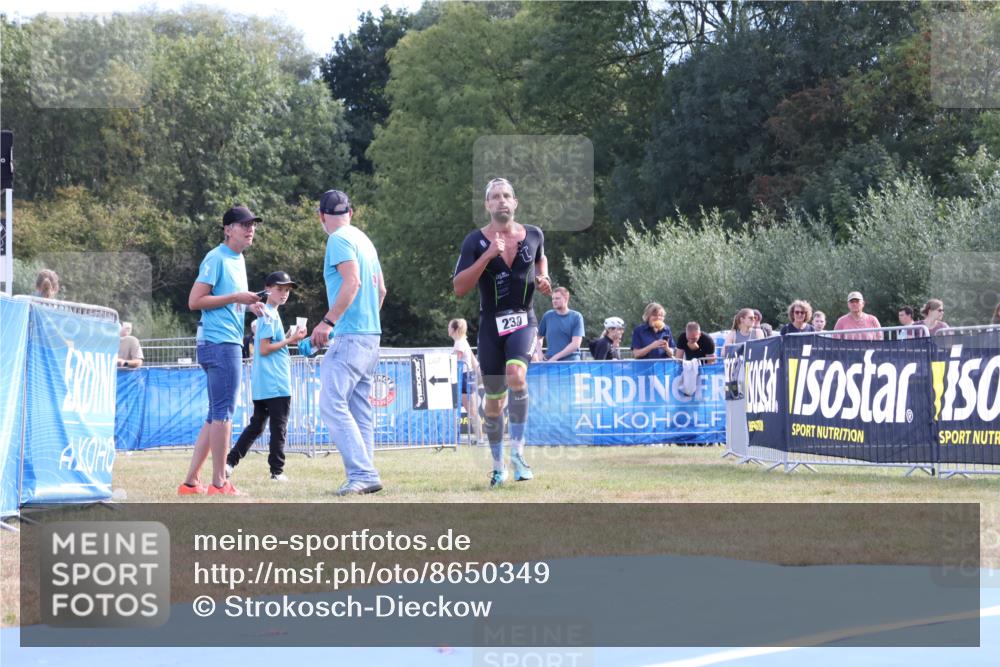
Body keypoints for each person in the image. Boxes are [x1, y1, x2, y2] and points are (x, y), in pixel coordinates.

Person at [453, 177, 551, 487]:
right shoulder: (475, 242)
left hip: (524, 319)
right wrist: (486, 257)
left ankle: (518, 453)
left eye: (507, 195)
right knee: (493, 403)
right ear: (487, 205)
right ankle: (498, 465)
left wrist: (544, 277)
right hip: (490, 326)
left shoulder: (533, 234)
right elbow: (459, 288)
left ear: (516, 202)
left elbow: (540, 259)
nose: (502, 201)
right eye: (495, 196)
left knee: (516, 376)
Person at [179, 205, 264, 496]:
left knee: (214, 414)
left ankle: (191, 482)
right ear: (227, 229)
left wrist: (248, 304)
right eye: (243, 224)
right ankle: (218, 483)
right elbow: (195, 300)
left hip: (222, 340)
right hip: (220, 342)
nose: (250, 229)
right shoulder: (216, 258)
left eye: (252, 224)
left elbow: (228, 301)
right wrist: (236, 297)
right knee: (224, 413)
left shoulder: (237, 259)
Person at [309, 189, 387, 496]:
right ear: (350, 213)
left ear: (322, 217)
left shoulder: (338, 239)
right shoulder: (364, 240)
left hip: (350, 334)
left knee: (331, 403)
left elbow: (352, 281)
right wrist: (367, 321)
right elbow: (381, 290)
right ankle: (367, 472)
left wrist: (329, 321)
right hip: (371, 334)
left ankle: (362, 473)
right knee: (360, 408)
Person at [226, 271, 307, 482]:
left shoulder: (267, 313)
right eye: (280, 289)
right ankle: (277, 472)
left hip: (263, 381)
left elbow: (266, 345)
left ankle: (230, 462)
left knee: (257, 426)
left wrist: (289, 338)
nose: (284, 293)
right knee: (278, 428)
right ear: (268, 289)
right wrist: (289, 341)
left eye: (287, 290)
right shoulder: (269, 314)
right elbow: (264, 348)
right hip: (276, 381)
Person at [448, 318, 483, 443]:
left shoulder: (460, 343)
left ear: (454, 329)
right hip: (466, 376)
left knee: (472, 410)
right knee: (471, 410)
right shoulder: (462, 341)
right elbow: (474, 361)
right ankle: (479, 438)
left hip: (465, 377)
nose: (448, 329)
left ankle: (480, 439)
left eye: (449, 326)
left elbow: (455, 360)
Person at [534, 286, 585, 361]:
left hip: (571, 363)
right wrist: (540, 354)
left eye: (557, 298)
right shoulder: (548, 316)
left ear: (566, 299)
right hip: (550, 363)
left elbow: (576, 344)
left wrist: (556, 357)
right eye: (553, 298)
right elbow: (538, 338)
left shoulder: (577, 317)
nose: (554, 301)